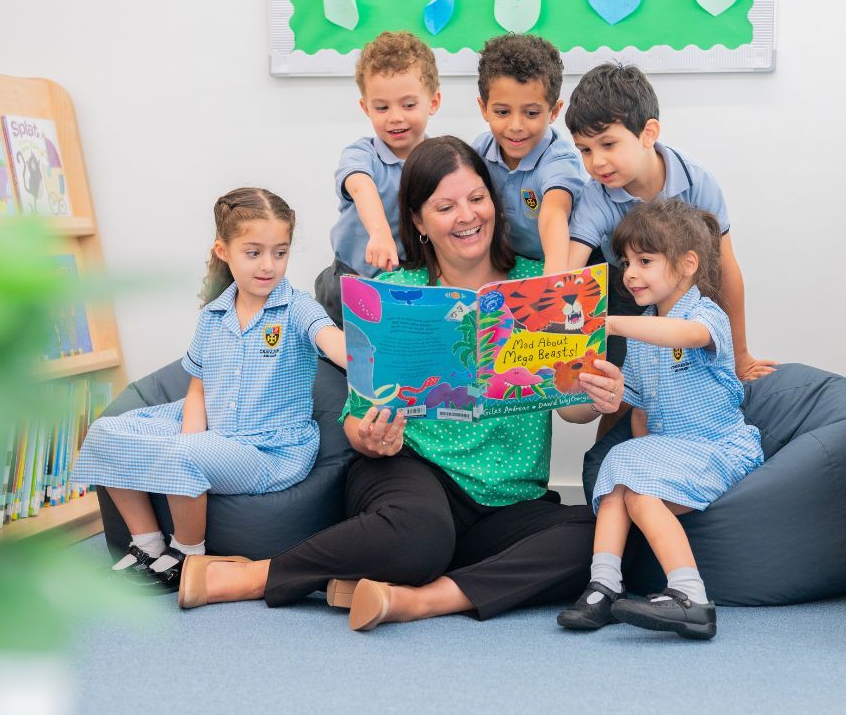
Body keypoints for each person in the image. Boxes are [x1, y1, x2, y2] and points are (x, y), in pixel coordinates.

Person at [177, 136, 626, 631]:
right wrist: (369, 436)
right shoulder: (392, 293)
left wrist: (597, 398)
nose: (467, 216)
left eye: (477, 199)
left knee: (598, 535)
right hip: (411, 475)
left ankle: (422, 599)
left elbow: (571, 408)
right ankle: (255, 577)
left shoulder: (545, 284)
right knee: (420, 538)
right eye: (445, 206)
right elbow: (354, 417)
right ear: (417, 221)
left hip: (510, 498)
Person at [72, 187, 346, 591]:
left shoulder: (297, 308)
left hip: (269, 450)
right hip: (217, 431)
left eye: (280, 252)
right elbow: (198, 388)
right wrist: (190, 441)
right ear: (224, 250)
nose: (268, 265)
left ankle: (187, 557)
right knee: (106, 432)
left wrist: (366, 359)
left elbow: (331, 340)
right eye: (254, 253)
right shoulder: (214, 317)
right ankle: (148, 545)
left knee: (184, 453)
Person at [555, 199, 764, 639]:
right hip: (673, 449)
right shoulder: (645, 330)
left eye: (644, 261)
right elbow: (635, 408)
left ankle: (692, 597)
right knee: (617, 477)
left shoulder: (705, 314)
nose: (629, 273)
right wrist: (602, 389)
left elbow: (687, 336)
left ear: (688, 264)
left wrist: (609, 323)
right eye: (626, 262)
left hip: (716, 446)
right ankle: (603, 586)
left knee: (641, 493)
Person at [563, 62, 775, 382]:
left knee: (685, 372)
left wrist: (740, 356)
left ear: (648, 133)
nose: (597, 162)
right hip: (625, 289)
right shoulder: (597, 196)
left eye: (608, 144)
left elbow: (726, 269)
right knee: (629, 387)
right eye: (585, 150)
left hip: (682, 285)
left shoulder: (697, 181)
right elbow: (570, 271)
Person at [314, 31, 442, 325]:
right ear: (365, 107)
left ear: (433, 102)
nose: (395, 117)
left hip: (406, 282)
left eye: (408, 105)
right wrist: (379, 233)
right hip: (351, 277)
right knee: (341, 356)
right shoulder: (361, 154)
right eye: (382, 107)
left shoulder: (440, 160)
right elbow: (361, 186)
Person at [471, 34, 586, 273]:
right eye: (502, 112)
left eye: (531, 113)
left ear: (554, 112)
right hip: (509, 260)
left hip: (557, 263)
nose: (515, 126)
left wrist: (554, 271)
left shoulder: (559, 160)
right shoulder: (479, 151)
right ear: (484, 108)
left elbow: (554, 211)